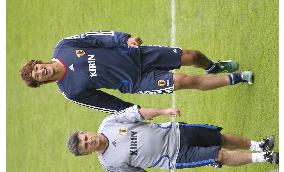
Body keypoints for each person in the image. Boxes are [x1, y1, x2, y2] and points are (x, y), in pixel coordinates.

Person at [20, 31, 254, 114]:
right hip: (138, 80)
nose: (41, 71)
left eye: (37, 68)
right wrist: (134, 112)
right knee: (185, 81)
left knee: (192, 56)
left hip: (137, 55)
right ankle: (236, 79)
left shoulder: (64, 47)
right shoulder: (70, 91)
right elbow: (105, 102)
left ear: (39, 62)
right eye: (38, 76)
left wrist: (125, 39)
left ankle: (213, 67)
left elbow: (98, 38)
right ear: (43, 82)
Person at [66, 106, 278, 171]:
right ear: (86, 153)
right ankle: (264, 157)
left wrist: (162, 110)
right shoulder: (110, 164)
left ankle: (259, 144)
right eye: (85, 146)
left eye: (85, 138)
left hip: (176, 131)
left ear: (86, 132)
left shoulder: (108, 124)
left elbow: (137, 114)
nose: (88, 142)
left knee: (219, 138)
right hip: (176, 156)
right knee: (219, 155)